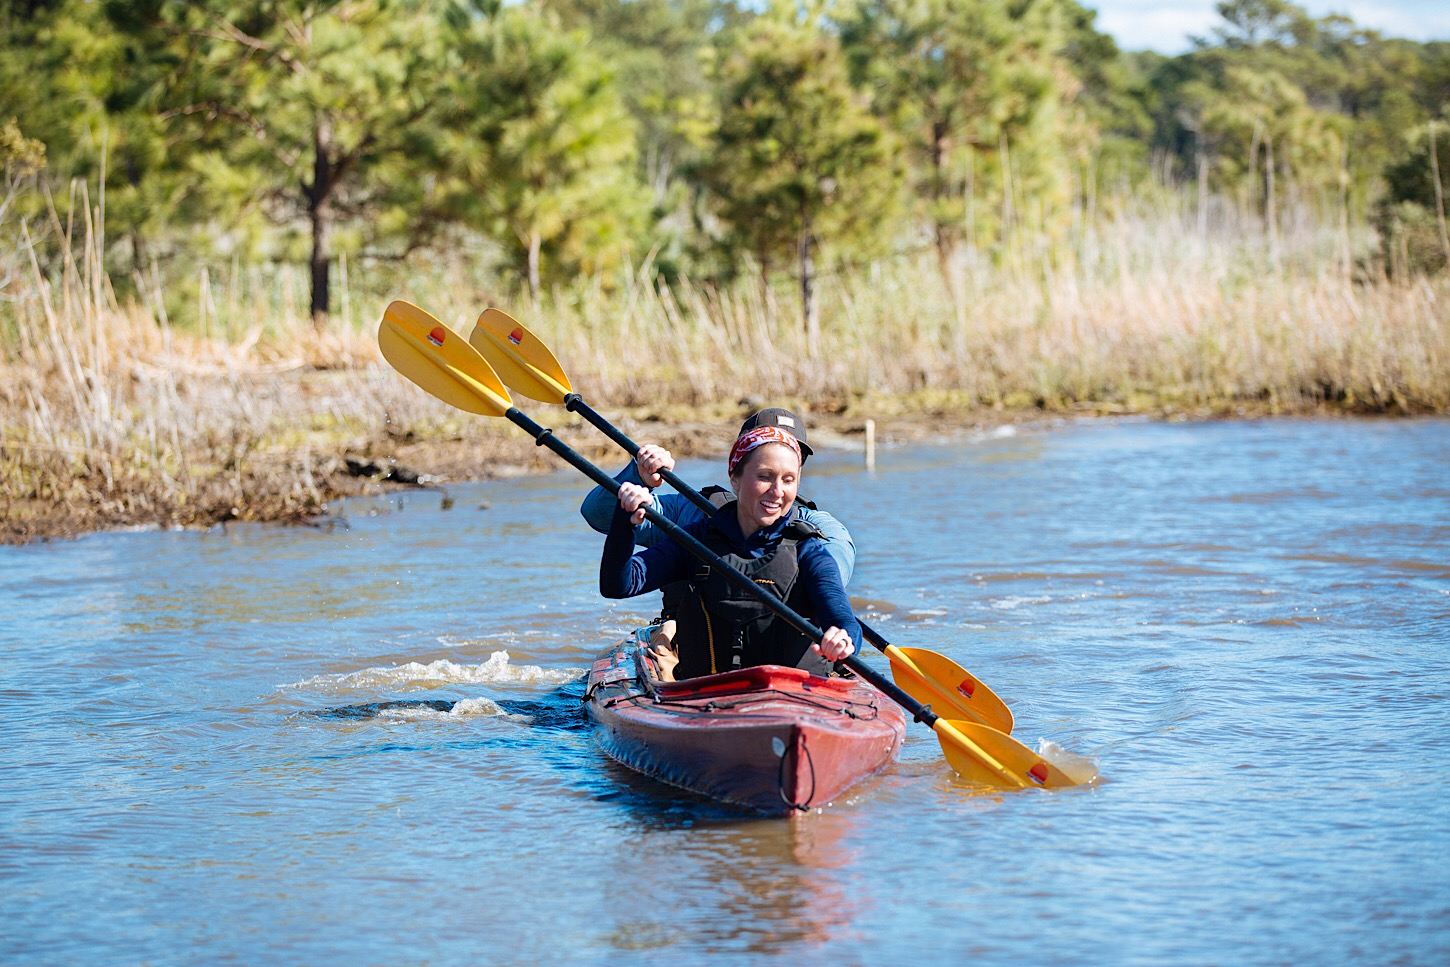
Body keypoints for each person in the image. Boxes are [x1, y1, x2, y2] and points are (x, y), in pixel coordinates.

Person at [580, 409, 856, 674]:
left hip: (786, 674)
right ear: (736, 471)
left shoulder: (814, 535)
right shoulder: (693, 521)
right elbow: (600, 516)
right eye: (764, 472)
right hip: (693, 645)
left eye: (788, 473)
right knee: (670, 636)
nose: (776, 489)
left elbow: (834, 586)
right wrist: (637, 480)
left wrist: (842, 636)